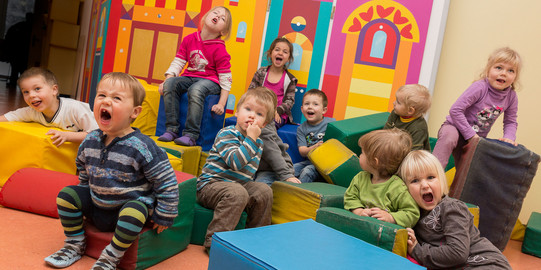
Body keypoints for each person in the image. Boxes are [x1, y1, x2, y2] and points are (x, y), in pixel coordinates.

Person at [44, 72, 179, 269]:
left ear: (134, 112)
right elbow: (83, 170)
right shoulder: (89, 140)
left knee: (135, 210)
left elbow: (166, 182)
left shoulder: (142, 146)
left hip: (126, 210)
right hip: (97, 206)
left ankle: (111, 257)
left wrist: (166, 214)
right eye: (102, 95)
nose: (107, 101)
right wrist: (83, 197)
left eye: (116, 98)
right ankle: (75, 244)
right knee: (66, 195)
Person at [398, 150, 511, 269]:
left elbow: (458, 253)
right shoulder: (414, 215)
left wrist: (417, 250)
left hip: (486, 263)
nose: (425, 185)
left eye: (430, 177)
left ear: (441, 180)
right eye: (415, 181)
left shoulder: (451, 208)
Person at [197, 87, 276, 252]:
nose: (252, 115)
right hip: (210, 186)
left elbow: (248, 173)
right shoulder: (227, 133)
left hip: (238, 186)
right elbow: (236, 162)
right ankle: (215, 243)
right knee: (237, 192)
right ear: (237, 112)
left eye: (259, 114)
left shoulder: (258, 143)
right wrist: (251, 138)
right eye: (248, 109)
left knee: (263, 190)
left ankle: (255, 239)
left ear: (264, 124)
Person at [432, 47, 521, 169]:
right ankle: (431, 174)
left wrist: (508, 138)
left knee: (466, 171)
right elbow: (455, 110)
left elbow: (510, 121)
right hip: (454, 127)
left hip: (476, 139)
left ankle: (458, 188)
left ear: (515, 77)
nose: (504, 73)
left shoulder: (511, 97)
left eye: (511, 70)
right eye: (499, 67)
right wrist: (471, 135)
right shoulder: (480, 87)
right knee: (449, 137)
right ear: (488, 70)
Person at [157, 6, 233, 146]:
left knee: (196, 90)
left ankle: (191, 134)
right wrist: (167, 80)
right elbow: (178, 62)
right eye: (215, 13)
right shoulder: (189, 39)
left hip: (210, 81)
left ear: (223, 31)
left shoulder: (220, 49)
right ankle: (172, 129)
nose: (218, 16)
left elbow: (225, 78)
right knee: (170, 84)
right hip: (189, 77)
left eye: (223, 18)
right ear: (205, 17)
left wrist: (221, 103)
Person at [0, 67, 98, 146]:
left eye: (37, 88)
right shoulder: (32, 111)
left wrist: (68, 136)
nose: (31, 95)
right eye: (26, 92)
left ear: (54, 90)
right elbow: (9, 117)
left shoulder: (75, 109)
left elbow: (98, 134)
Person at [344, 128, 419, 228]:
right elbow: (350, 197)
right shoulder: (360, 178)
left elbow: (412, 213)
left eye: (362, 153)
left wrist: (390, 217)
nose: (359, 155)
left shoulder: (397, 187)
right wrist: (359, 211)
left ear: (375, 162)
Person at [249, 37, 297, 129]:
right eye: (277, 50)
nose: (280, 53)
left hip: (278, 114)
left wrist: (277, 111)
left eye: (285, 52)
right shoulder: (261, 72)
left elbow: (289, 101)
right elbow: (251, 92)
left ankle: (267, 142)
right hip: (259, 109)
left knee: (268, 126)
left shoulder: (290, 79)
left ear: (288, 58)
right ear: (270, 53)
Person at [293, 89, 335, 182]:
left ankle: (298, 193)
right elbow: (302, 151)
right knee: (290, 169)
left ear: (324, 110)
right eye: (307, 104)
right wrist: (314, 147)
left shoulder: (331, 123)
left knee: (307, 171)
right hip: (309, 161)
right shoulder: (302, 128)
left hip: (324, 164)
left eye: (315, 104)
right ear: (302, 109)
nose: (310, 107)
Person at [384, 84, 431, 151]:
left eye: (398, 102)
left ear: (410, 110)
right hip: (395, 150)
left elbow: (414, 152)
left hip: (412, 157)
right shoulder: (395, 113)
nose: (394, 103)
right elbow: (385, 132)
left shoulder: (418, 128)